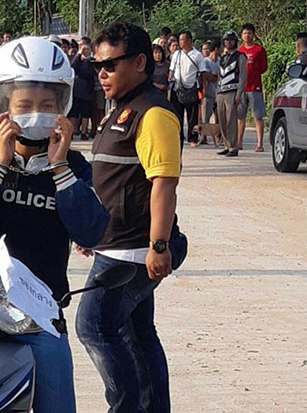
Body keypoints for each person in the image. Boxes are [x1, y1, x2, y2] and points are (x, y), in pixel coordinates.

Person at [0, 36, 109, 413]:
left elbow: (92, 231)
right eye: (25, 106)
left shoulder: (74, 167)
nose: (37, 114)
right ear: (1, 105)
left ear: (63, 106)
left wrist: (60, 168)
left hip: (39, 317)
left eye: (47, 105)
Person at [76, 22, 187, 413]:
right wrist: (91, 226)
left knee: (95, 326)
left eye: (110, 65)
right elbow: (114, 178)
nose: (101, 74)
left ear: (140, 62)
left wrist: (159, 245)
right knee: (138, 334)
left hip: (134, 250)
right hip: (116, 243)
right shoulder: (122, 109)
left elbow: (163, 185)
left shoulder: (153, 114)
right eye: (97, 66)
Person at [169, 30, 206, 146]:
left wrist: (203, 88)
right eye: (179, 40)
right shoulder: (177, 54)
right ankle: (178, 136)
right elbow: (171, 70)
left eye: (182, 40)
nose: (180, 42)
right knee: (177, 115)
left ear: (189, 40)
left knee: (192, 116)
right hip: (177, 88)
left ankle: (192, 138)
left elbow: (202, 72)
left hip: (191, 88)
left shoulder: (197, 55)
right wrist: (170, 81)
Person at [216, 31, 247, 157]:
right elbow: (219, 75)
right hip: (221, 91)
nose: (228, 42)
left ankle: (233, 147)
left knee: (231, 120)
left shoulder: (240, 56)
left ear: (235, 42)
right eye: (226, 40)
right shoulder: (222, 58)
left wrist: (239, 93)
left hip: (232, 91)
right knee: (222, 119)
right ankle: (226, 144)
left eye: (231, 40)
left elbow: (243, 76)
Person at [238, 23, 268, 152]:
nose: (247, 35)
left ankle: (260, 143)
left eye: (249, 33)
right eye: (245, 33)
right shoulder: (239, 51)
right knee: (240, 117)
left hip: (255, 87)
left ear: (253, 35)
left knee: (258, 116)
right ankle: (239, 142)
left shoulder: (259, 50)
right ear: (241, 35)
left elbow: (263, 68)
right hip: (241, 88)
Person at [69, 42, 96, 140]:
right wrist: (78, 55)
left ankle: (84, 133)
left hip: (87, 91)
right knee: (74, 114)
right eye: (83, 49)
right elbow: (72, 68)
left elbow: (90, 73)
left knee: (85, 114)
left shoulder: (92, 61)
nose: (85, 51)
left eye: (87, 49)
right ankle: (70, 133)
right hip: (77, 91)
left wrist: (80, 73)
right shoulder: (78, 60)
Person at [198, 41, 219, 140]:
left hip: (219, 92)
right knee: (205, 117)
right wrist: (215, 76)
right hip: (208, 92)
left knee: (219, 117)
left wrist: (214, 76)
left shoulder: (221, 61)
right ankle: (203, 137)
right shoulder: (205, 61)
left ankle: (219, 137)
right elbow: (205, 76)